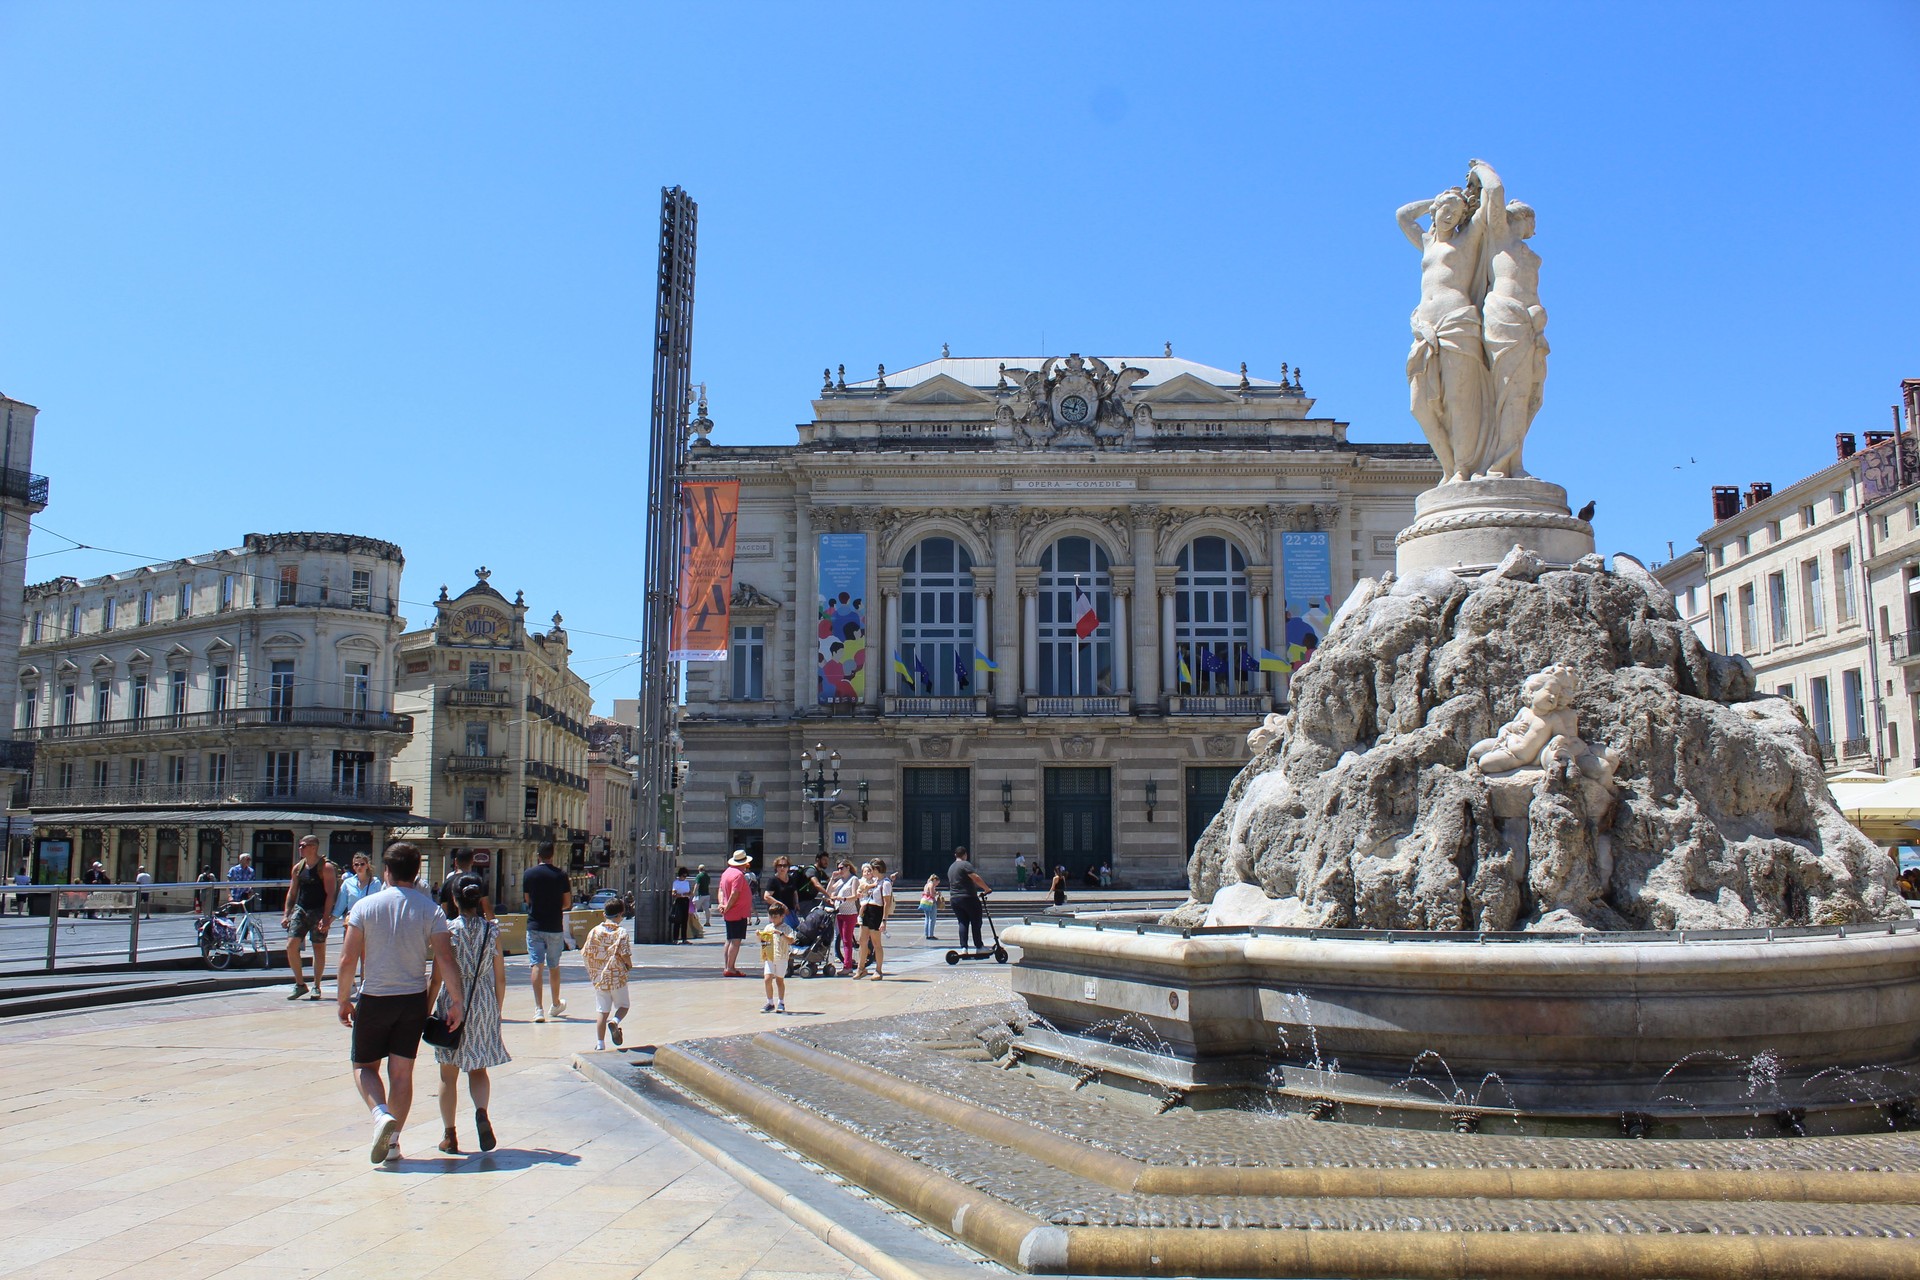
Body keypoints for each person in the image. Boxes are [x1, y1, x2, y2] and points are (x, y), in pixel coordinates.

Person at [336, 841, 462, 1165]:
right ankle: (392, 1144)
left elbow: (348, 958)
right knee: (402, 1074)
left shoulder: (365, 907)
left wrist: (342, 1000)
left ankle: (380, 1115)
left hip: (375, 996)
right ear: (417, 872)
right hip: (412, 1000)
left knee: (364, 1066)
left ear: (387, 872)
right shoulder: (431, 910)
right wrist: (457, 1001)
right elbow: (445, 959)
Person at [426, 874, 507, 1154]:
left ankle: (450, 1136)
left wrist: (426, 1010)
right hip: (483, 1000)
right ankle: (482, 1112)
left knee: (448, 1074)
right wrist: (495, 1010)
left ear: (455, 900)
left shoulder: (448, 932)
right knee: (478, 1067)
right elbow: (500, 978)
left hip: (453, 1000)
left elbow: (437, 978)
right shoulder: (492, 931)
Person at [282, 837, 338, 1002]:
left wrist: (326, 917)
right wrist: (286, 914)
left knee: (318, 948)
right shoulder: (298, 868)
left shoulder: (325, 867)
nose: (300, 848)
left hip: (319, 910)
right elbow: (292, 892)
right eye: (299, 845)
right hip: (301, 909)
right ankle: (300, 984)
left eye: (303, 846)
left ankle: (317, 985)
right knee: (291, 945)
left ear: (313, 847)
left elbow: (330, 894)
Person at [521, 842, 572, 1021]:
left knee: (536, 964)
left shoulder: (529, 874)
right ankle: (556, 1003)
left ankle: (538, 1009)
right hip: (554, 926)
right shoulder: (561, 875)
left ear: (538, 855)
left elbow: (527, 899)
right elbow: (567, 903)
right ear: (553, 855)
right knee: (554, 966)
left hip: (534, 924)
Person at [581, 899, 633, 1051]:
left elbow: (585, 952)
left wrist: (594, 971)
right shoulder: (621, 932)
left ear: (604, 914)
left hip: (600, 978)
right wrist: (629, 965)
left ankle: (600, 1044)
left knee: (602, 1011)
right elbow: (625, 954)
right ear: (621, 914)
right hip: (617, 976)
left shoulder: (594, 932)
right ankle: (615, 1021)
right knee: (624, 1006)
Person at [852, 859, 893, 980]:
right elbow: (864, 887)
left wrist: (884, 920)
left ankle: (878, 970)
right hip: (868, 910)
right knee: (862, 940)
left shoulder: (885, 883)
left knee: (876, 943)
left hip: (877, 911)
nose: (870, 871)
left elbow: (887, 903)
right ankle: (861, 968)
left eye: (872, 869)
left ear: (877, 869)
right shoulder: (875, 881)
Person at [947, 846, 991, 952]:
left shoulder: (951, 867)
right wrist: (986, 888)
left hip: (954, 899)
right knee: (976, 922)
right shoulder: (965, 864)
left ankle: (964, 947)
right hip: (968, 897)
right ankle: (979, 946)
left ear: (955, 855)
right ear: (965, 855)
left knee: (962, 922)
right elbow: (975, 877)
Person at [717, 850, 753, 977]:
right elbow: (735, 893)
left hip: (730, 912)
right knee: (735, 941)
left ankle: (728, 966)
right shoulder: (738, 875)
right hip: (738, 912)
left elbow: (721, 890)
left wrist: (721, 904)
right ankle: (731, 968)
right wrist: (727, 906)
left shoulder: (726, 873)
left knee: (729, 939)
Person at [437, 848, 493, 922]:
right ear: (472, 861)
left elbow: (444, 910)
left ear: (455, 862)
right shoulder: (478, 881)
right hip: (478, 927)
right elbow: (487, 908)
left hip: (454, 928)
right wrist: (494, 925)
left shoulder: (447, 883)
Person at [758, 901, 795, 1014]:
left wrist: (781, 934)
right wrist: (760, 936)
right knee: (767, 978)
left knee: (779, 980)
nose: (773, 919)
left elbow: (791, 940)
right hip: (770, 957)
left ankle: (781, 1001)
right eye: (771, 916)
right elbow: (764, 942)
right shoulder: (768, 927)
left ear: (782, 916)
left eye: (775, 917)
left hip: (782, 957)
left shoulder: (786, 928)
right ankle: (770, 1002)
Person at [829, 860, 860, 972]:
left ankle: (848, 967)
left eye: (841, 868)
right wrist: (832, 878)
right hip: (839, 912)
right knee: (842, 939)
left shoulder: (854, 879)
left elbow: (855, 896)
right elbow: (829, 891)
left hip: (849, 913)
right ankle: (848, 963)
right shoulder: (840, 880)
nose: (839, 870)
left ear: (848, 867)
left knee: (847, 940)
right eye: (838, 868)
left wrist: (842, 898)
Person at [763, 856, 801, 923]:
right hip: (777, 914)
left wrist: (796, 903)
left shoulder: (791, 879)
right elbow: (766, 897)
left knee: (794, 931)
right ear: (776, 867)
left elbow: (794, 892)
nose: (782, 868)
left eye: (785, 865)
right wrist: (782, 906)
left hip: (791, 911)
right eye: (780, 865)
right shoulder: (773, 880)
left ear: (788, 867)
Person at [669, 867, 693, 943]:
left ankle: (684, 938)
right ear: (680, 875)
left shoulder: (686, 882)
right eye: (683, 876)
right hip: (679, 901)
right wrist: (681, 894)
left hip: (686, 900)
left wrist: (687, 894)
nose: (684, 878)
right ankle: (675, 938)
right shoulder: (676, 883)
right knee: (677, 920)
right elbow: (674, 893)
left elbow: (689, 892)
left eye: (686, 876)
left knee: (685, 920)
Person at [918, 874, 943, 941]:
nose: (937, 884)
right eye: (937, 883)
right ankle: (931, 935)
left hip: (924, 901)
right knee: (932, 919)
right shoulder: (931, 885)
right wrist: (937, 893)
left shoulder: (927, 884)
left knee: (927, 918)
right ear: (934, 880)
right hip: (930, 902)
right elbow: (932, 895)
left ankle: (927, 934)